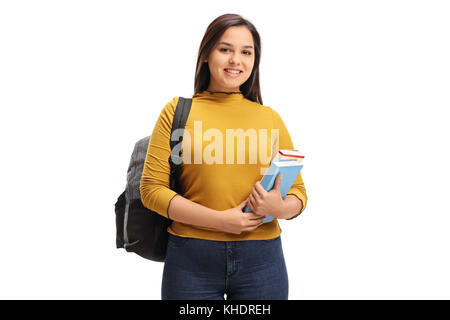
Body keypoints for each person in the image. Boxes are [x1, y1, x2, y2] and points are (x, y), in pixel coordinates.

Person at [140, 13, 307, 300]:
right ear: (206, 54)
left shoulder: (270, 119)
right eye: (225, 49)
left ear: (255, 61)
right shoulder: (177, 112)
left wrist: (279, 208)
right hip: (191, 257)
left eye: (246, 52)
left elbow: (299, 194)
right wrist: (220, 221)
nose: (236, 60)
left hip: (263, 260)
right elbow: (151, 190)